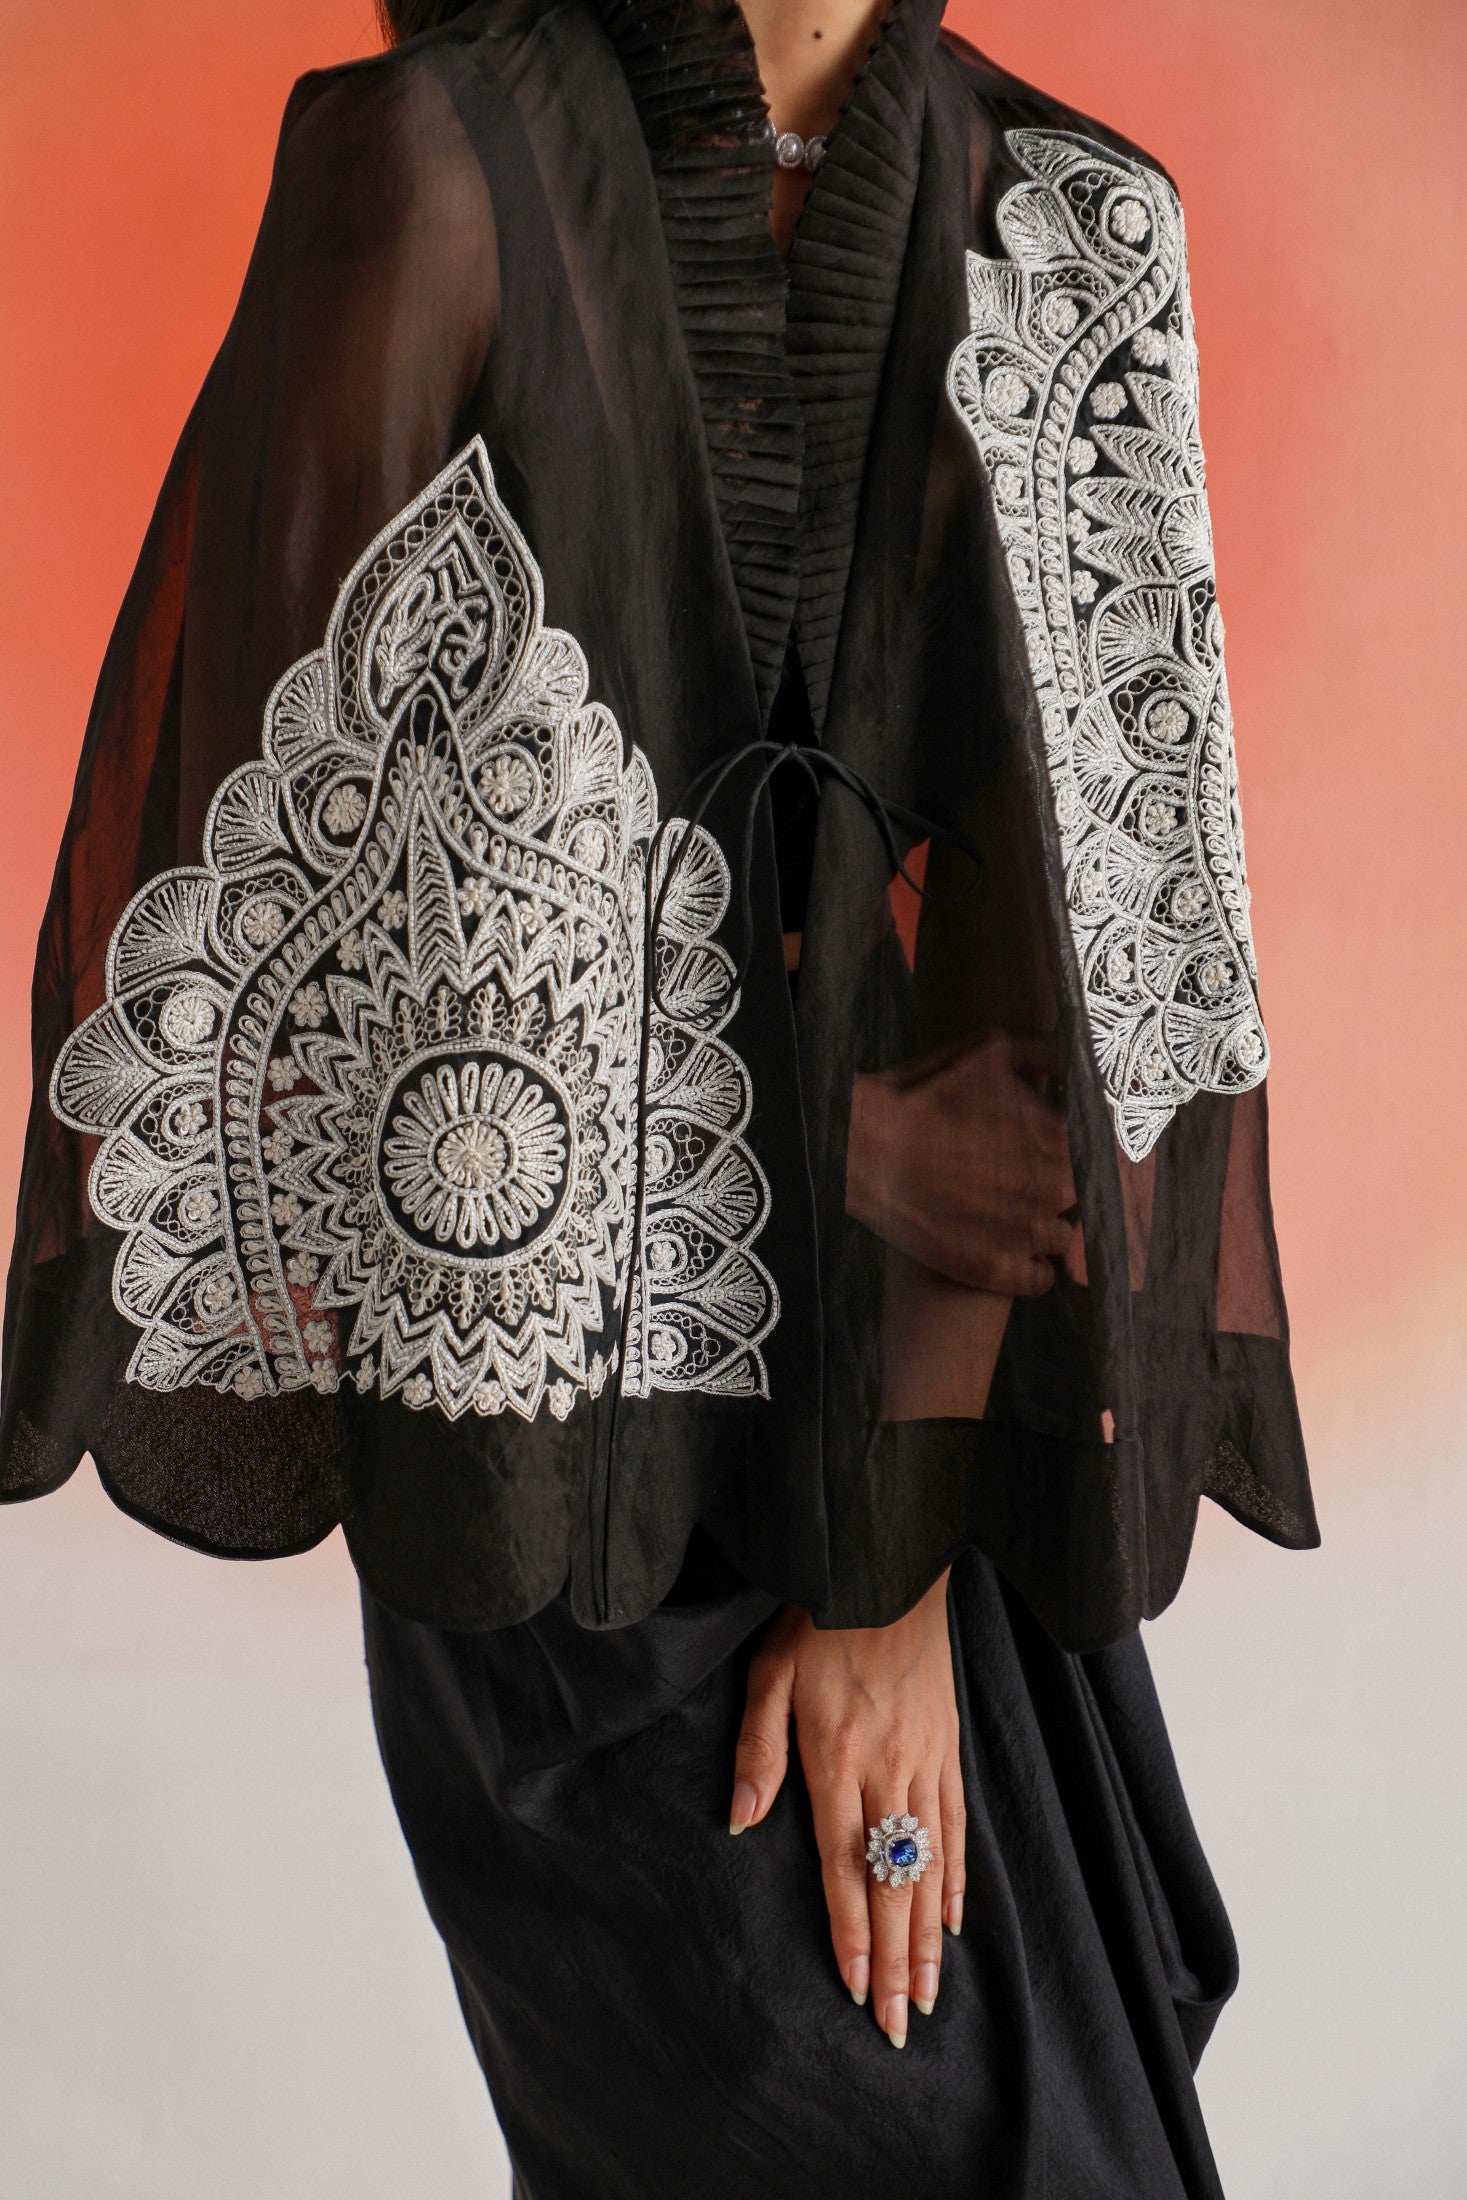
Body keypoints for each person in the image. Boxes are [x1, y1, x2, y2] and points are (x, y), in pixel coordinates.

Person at [0, 0, 1319, 2190]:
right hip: (561, 1474)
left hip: (931, 1447)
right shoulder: (428, 166)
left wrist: (884, 1577)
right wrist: (838, 1152)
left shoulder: (1074, 223)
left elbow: (1063, 1005)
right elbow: (313, 928)